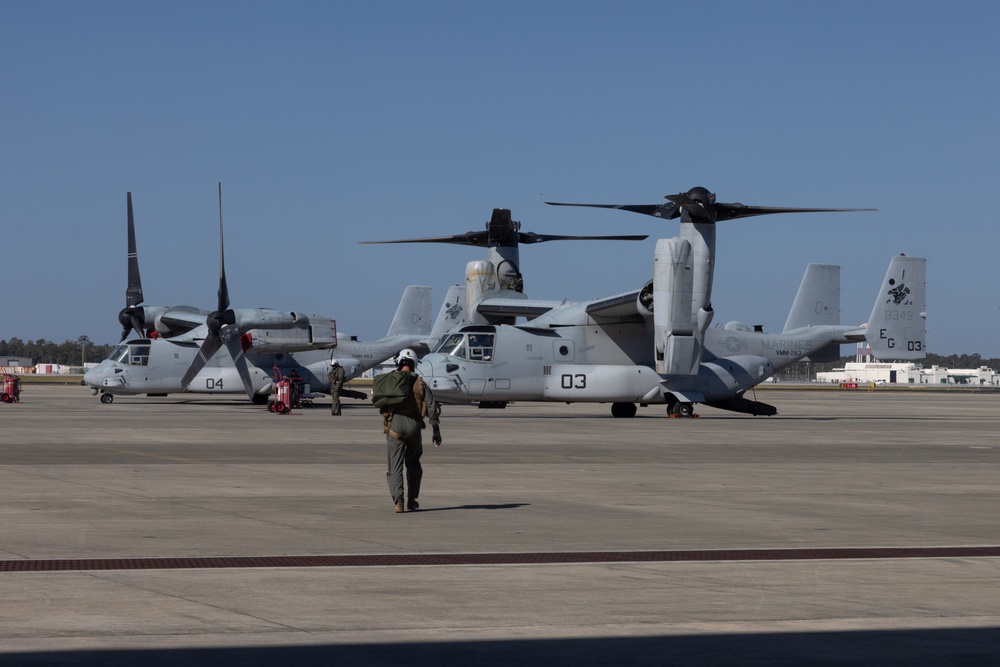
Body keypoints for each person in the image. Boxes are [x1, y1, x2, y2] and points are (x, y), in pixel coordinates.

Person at [380, 348, 441, 513]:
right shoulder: (420, 382)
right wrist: (435, 429)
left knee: (395, 466)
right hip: (414, 427)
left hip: (395, 426)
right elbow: (431, 406)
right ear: (414, 364)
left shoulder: (391, 380)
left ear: (399, 363)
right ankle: (412, 500)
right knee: (413, 464)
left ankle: (398, 502)